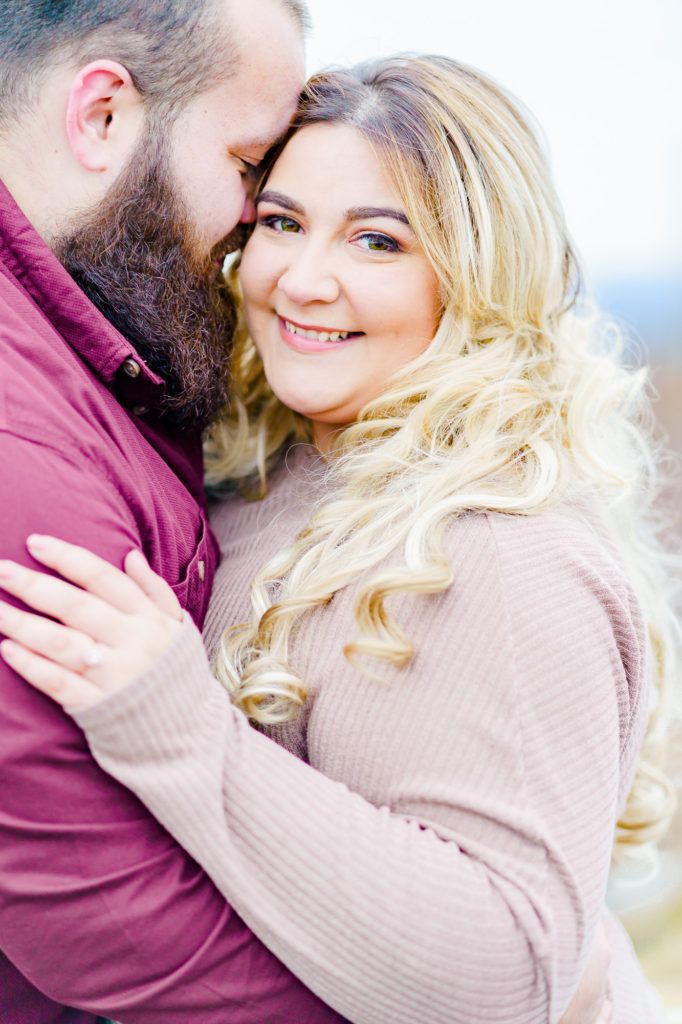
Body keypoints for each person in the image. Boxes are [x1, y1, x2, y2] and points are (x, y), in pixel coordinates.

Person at [1, 55, 677, 1023]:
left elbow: (506, 977)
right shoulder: (270, 474)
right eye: (281, 223)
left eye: (376, 241)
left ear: (478, 271)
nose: (303, 280)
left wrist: (177, 722)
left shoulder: (499, 546)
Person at [0, 1, 363, 1022]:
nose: (260, 229)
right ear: (105, 115)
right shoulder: (21, 460)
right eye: (252, 167)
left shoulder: (93, 337)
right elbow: (111, 914)